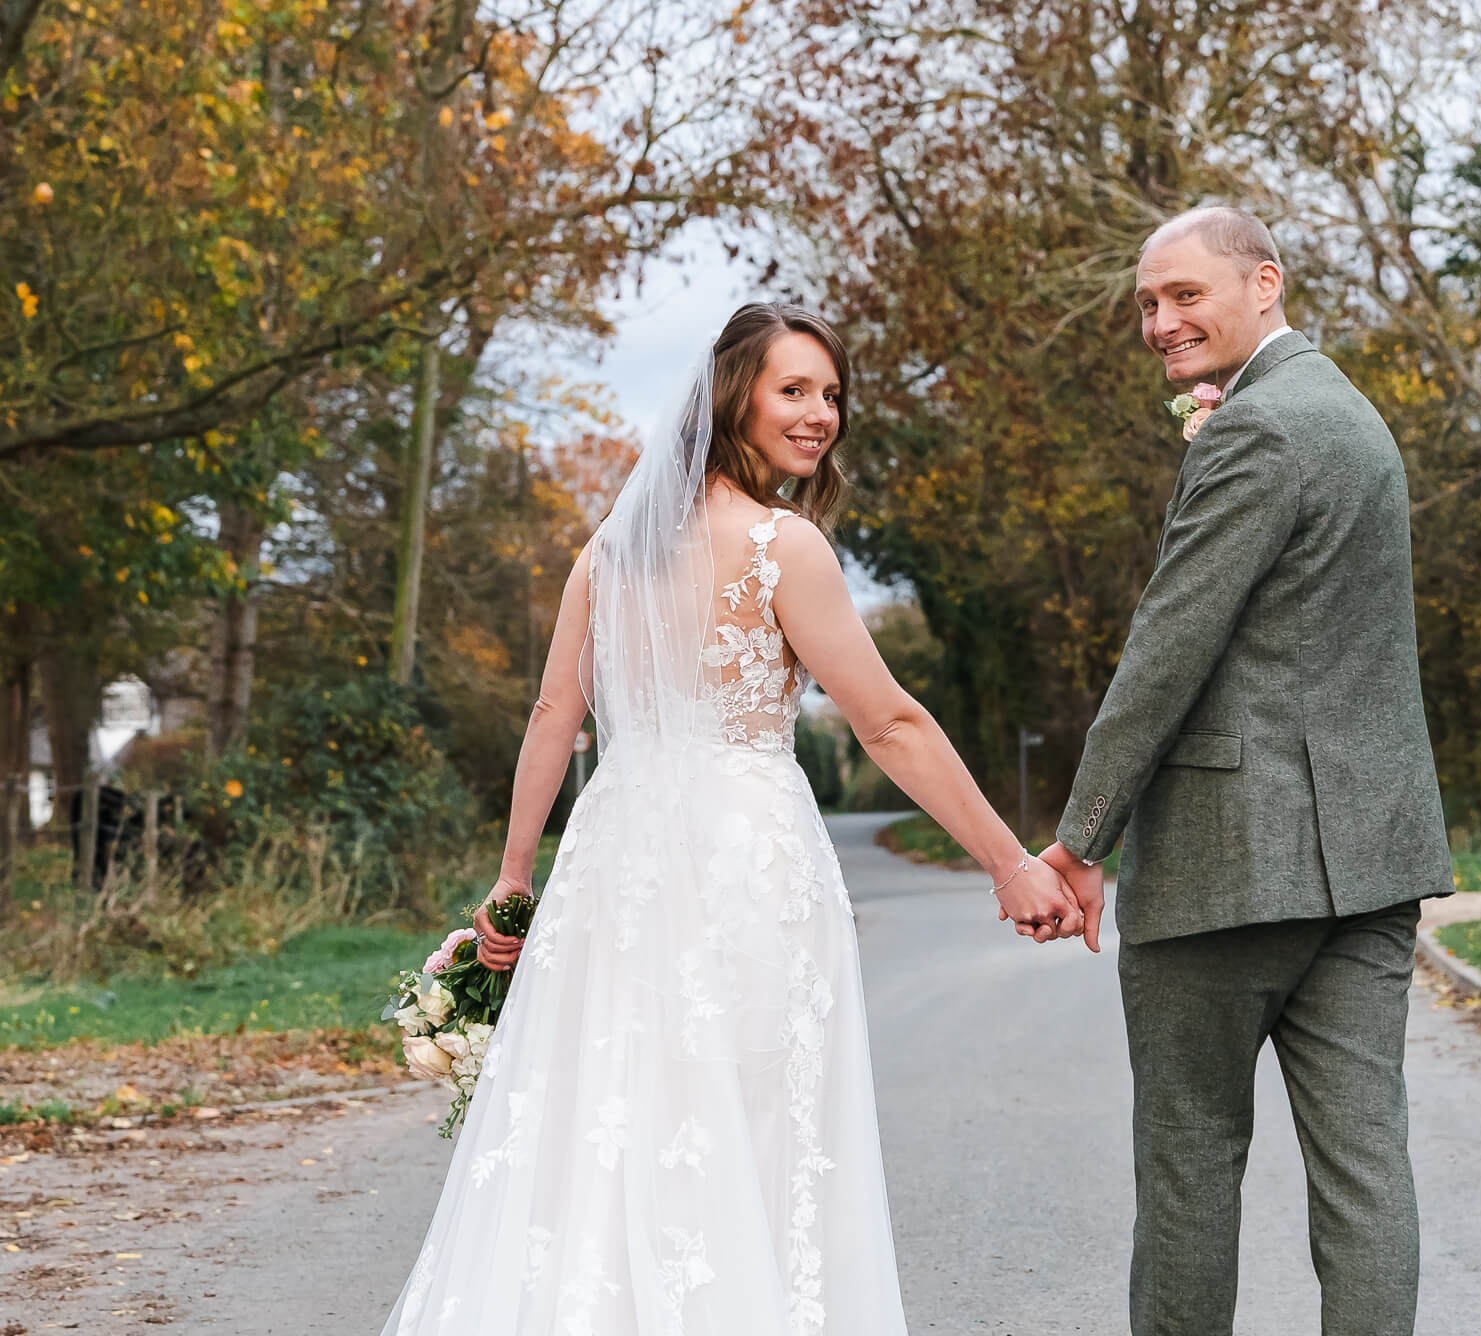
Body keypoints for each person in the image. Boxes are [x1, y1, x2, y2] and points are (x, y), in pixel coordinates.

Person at [378, 302, 1089, 1336]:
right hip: (741, 857)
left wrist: (515, 875)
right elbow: (885, 721)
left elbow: (552, 720)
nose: (818, 415)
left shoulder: (606, 554)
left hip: (614, 854)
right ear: (731, 398)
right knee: (750, 1120)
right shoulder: (780, 547)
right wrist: (1005, 860)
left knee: (616, 1117)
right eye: (791, 390)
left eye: (831, 394)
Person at [1039, 207, 1455, 1336]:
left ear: (1262, 282)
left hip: (1231, 863)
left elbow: (1168, 648)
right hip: (1368, 862)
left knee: (1189, 1165)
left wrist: (1082, 837)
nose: (1158, 320)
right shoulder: (1351, 416)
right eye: (1145, 303)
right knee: (1365, 1169)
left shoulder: (1253, 432)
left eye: (1183, 295)